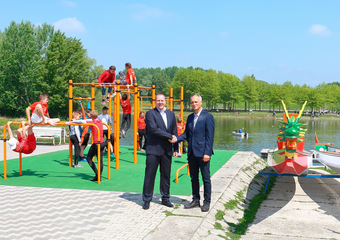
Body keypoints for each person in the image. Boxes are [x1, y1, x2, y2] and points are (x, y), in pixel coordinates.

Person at [173, 94, 215, 212]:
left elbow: (209, 137)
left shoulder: (208, 117)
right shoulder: (190, 117)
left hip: (203, 154)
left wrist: (207, 153)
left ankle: (207, 202)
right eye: (192, 102)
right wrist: (176, 138)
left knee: (206, 178)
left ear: (201, 102)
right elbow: (186, 134)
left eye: (196, 102)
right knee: (193, 178)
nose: (194, 104)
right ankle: (196, 200)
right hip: (192, 153)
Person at [142, 94, 178, 210]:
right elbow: (153, 129)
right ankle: (147, 199)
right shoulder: (150, 114)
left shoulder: (171, 114)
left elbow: (174, 131)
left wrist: (176, 148)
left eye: (162, 100)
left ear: (165, 101)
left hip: (167, 150)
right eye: (158, 100)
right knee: (150, 175)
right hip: (153, 149)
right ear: (155, 101)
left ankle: (165, 198)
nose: (160, 102)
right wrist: (169, 136)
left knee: (166, 175)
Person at [68, 110, 106, 181]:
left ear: (91, 116)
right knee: (100, 160)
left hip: (96, 143)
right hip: (102, 142)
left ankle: (97, 174)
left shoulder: (92, 122)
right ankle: (99, 176)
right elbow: (85, 120)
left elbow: (81, 121)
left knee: (89, 158)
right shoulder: (100, 121)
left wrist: (70, 122)